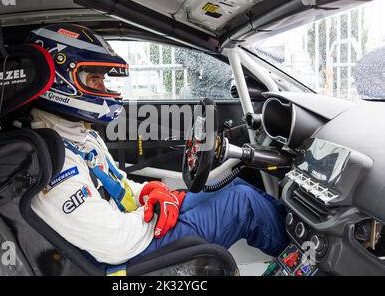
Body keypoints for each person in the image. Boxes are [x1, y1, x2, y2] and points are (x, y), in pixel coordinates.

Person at [26, 24, 288, 266]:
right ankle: (306, 257)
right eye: (94, 79)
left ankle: (297, 244)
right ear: (61, 79)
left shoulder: (78, 135)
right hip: (134, 258)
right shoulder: (54, 160)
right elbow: (114, 243)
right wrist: (152, 214)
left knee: (236, 186)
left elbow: (117, 185)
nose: (103, 88)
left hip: (136, 230)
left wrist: (148, 193)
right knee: (243, 204)